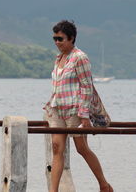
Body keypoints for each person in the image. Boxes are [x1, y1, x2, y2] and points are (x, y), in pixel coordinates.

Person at [44, 20, 113, 192]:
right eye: (55, 39)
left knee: (81, 148)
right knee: (56, 148)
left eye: (60, 39)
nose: (57, 43)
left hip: (75, 110)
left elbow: (86, 86)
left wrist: (84, 115)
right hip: (57, 109)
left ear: (71, 38)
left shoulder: (80, 57)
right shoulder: (59, 58)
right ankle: (53, 191)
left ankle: (104, 185)